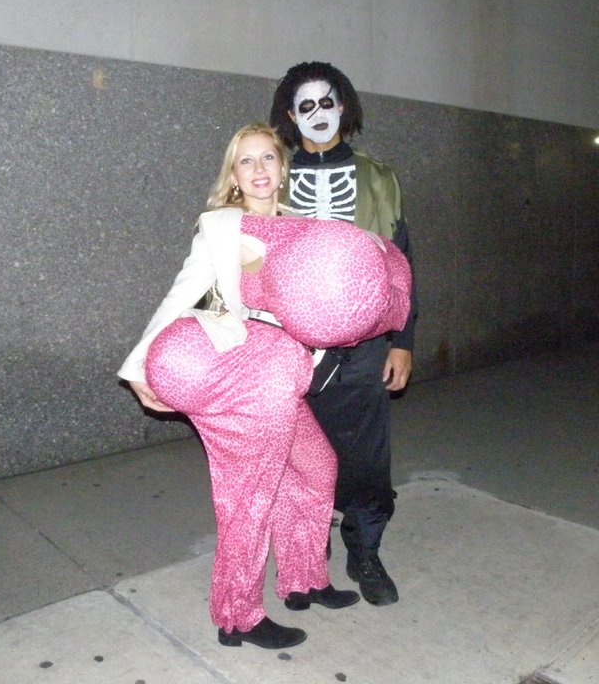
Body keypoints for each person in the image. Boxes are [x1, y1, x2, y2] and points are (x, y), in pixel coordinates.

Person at [117, 123, 411, 649]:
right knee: (248, 496)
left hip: (285, 374)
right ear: (233, 174)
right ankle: (238, 617)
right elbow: (179, 296)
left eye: (267, 159)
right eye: (245, 161)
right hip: (242, 372)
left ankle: (303, 581)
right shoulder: (221, 228)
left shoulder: (302, 228)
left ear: (282, 168)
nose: (257, 170)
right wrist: (138, 368)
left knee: (317, 466)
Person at [270, 62, 417, 606]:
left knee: (364, 458)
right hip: (286, 347)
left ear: (344, 107)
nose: (317, 115)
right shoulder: (272, 174)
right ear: (290, 115)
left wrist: (402, 338)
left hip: (361, 346)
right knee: (294, 456)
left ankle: (365, 551)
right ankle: (307, 558)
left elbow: (402, 264)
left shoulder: (378, 178)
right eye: (304, 106)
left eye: (326, 103)